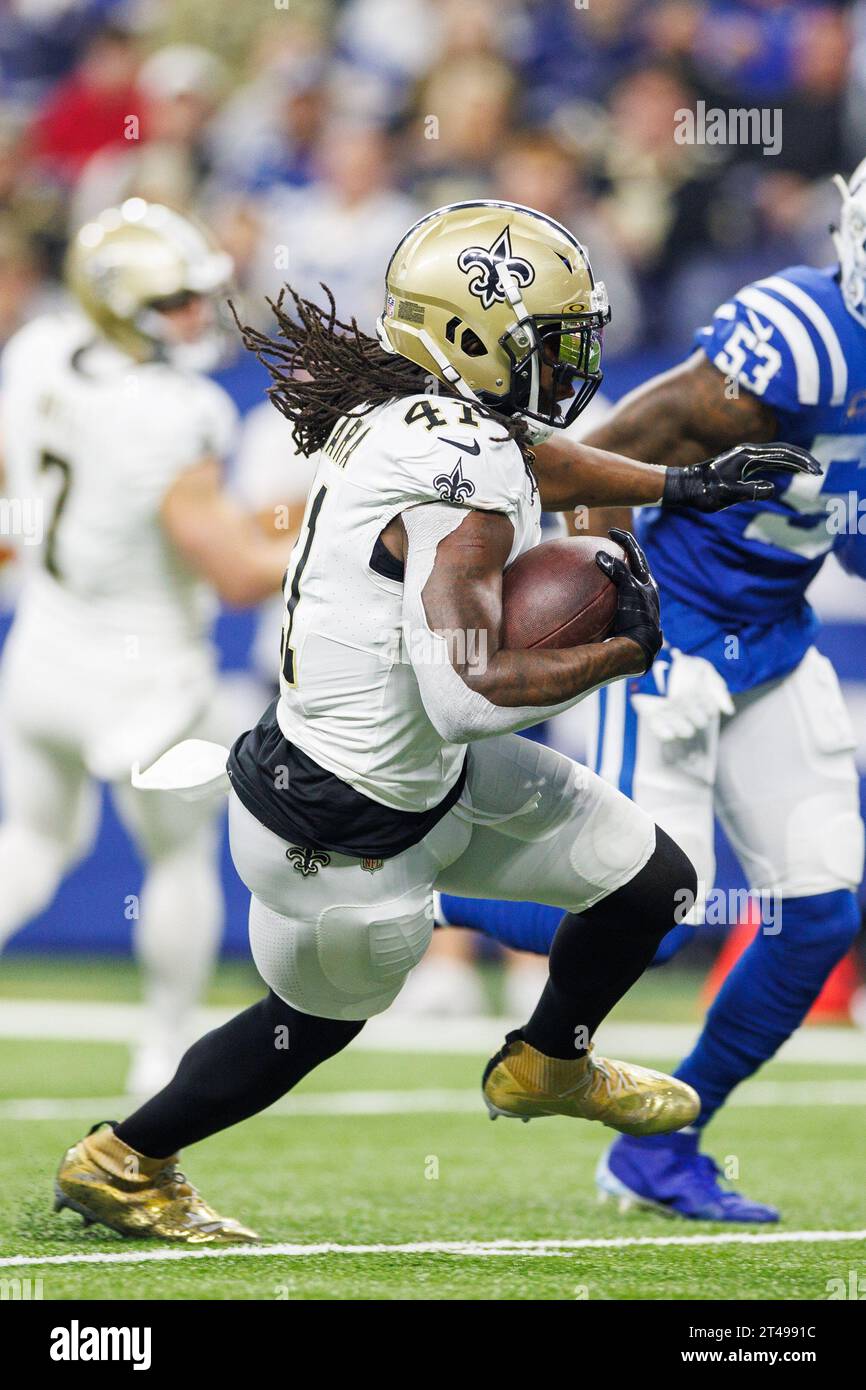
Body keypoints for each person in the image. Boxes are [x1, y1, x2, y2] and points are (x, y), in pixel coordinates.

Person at [53, 199, 814, 1243]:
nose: (572, 359)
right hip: (340, 831)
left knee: (652, 879)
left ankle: (549, 1060)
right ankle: (125, 1158)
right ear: (472, 339)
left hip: (414, 777)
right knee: (308, 1025)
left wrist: (683, 481)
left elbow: (535, 463)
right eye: (551, 340)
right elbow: (466, 691)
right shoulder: (455, 485)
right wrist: (623, 649)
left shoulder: (422, 413)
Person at [440, 163, 866, 1223]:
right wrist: (625, 613)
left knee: (818, 915)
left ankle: (663, 1145)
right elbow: (587, 462)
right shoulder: (797, 340)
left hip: (772, 641)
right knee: (651, 909)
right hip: (673, 633)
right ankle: (415, 866)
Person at [0, 198, 294, 1096]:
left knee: (31, 844)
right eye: (174, 304)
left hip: (43, 644)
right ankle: (163, 1049)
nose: (197, 317)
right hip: (144, 675)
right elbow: (239, 575)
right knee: (175, 856)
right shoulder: (181, 412)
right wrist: (353, 534)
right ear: (121, 306)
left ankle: (164, 1045)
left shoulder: (40, 349)